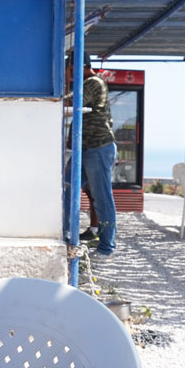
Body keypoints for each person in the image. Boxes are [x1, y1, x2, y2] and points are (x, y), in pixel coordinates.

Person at [63, 52, 117, 259]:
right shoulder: (88, 83)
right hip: (84, 149)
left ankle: (106, 247)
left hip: (98, 147)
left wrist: (54, 96)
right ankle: (65, 236)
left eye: (69, 69)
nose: (68, 74)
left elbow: (73, 101)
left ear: (80, 66)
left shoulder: (93, 82)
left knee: (102, 198)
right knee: (65, 190)